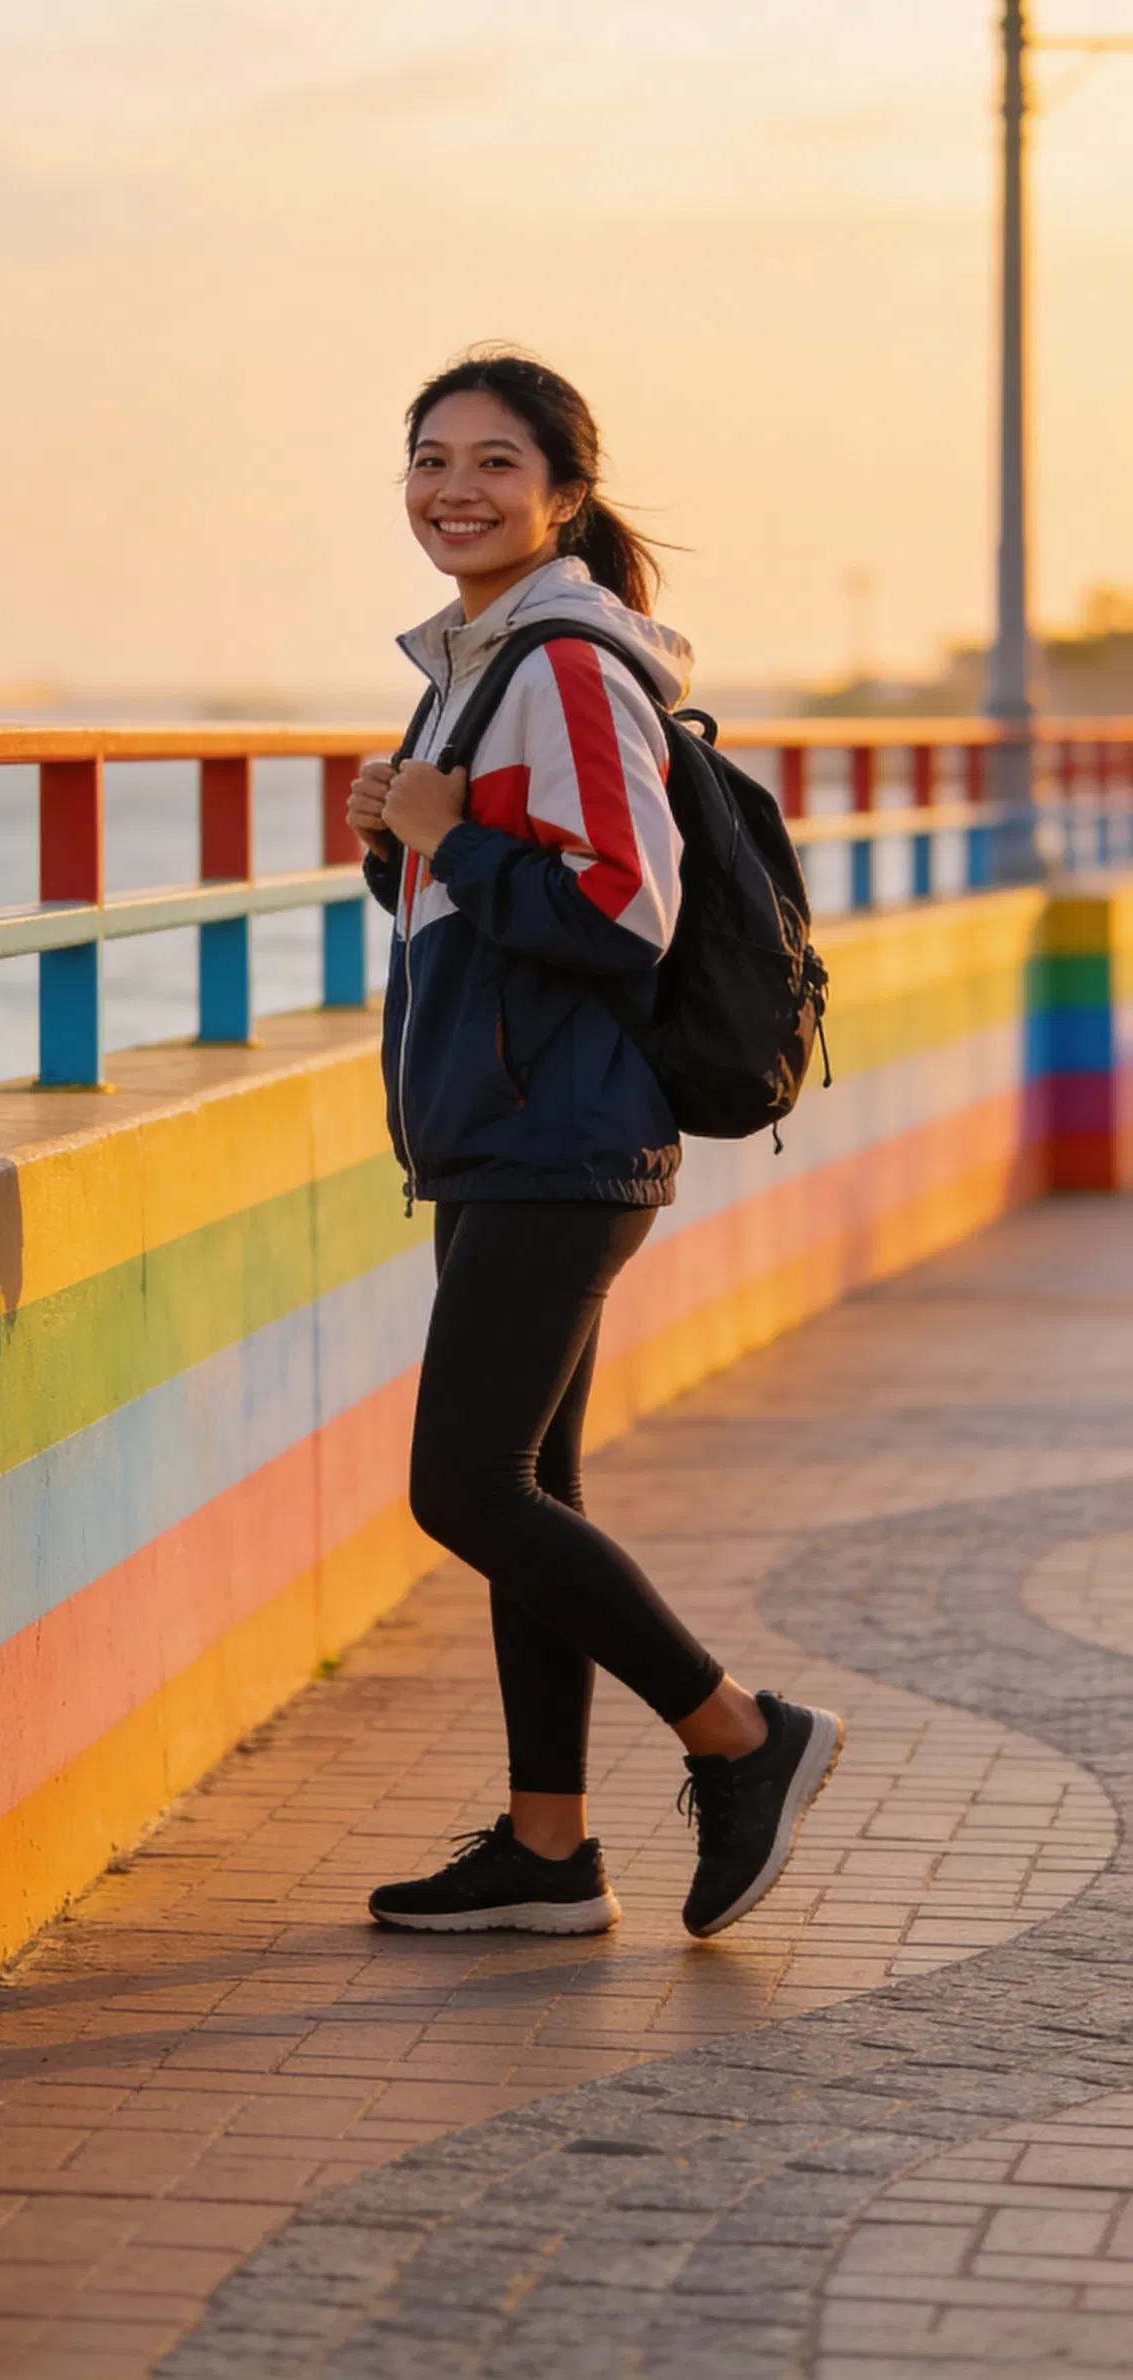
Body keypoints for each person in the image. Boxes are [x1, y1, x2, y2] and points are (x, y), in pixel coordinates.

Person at [349, 349, 842, 1941]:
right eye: (431, 459)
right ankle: (548, 1847)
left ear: (564, 495)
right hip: (504, 1127)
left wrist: (448, 835)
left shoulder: (561, 662)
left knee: (466, 1489)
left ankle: (743, 1736)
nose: (455, 490)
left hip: (559, 1131)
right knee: (531, 1487)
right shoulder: (472, 664)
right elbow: (490, 896)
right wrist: (400, 847)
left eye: (496, 462)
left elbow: (624, 913)